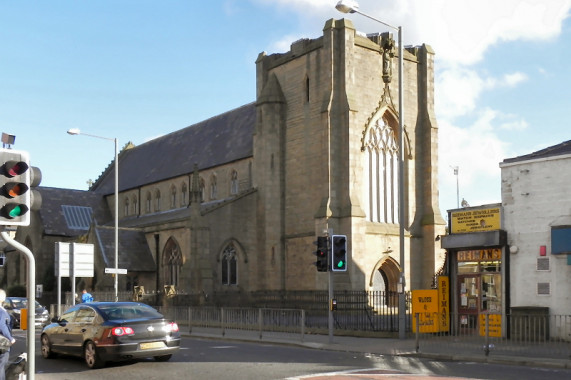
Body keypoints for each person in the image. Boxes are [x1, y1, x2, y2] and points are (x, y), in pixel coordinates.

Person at [0, 289, 15, 380]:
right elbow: (1, 325)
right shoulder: (1, 311)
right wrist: (10, 338)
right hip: (2, 344)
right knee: (1, 366)